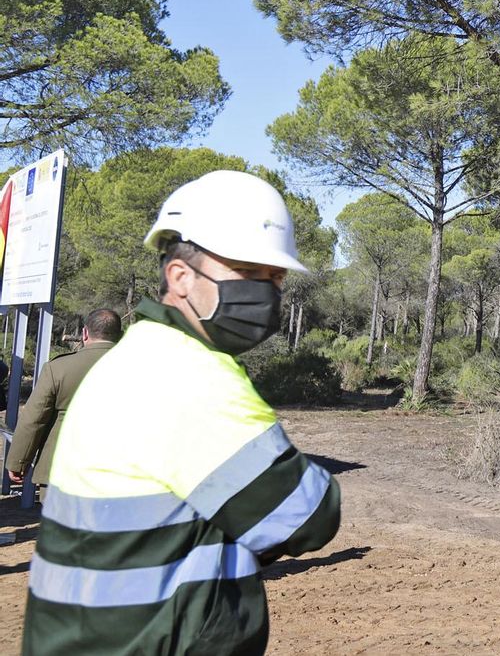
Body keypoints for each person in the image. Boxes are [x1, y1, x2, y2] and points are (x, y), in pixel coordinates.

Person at [22, 170, 341, 656]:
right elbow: (309, 515)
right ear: (180, 276)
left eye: (274, 278)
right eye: (247, 273)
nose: (266, 294)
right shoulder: (191, 374)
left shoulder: (135, 354)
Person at [5, 308, 124, 488]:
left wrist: (18, 461)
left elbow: (34, 420)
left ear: (84, 333)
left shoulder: (58, 368)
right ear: (121, 335)